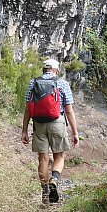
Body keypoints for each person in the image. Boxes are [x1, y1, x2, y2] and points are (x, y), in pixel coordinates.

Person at [21, 58, 79, 203]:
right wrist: (75, 132)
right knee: (59, 156)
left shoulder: (33, 83)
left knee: (43, 158)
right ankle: (55, 178)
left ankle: (45, 192)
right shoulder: (62, 83)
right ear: (56, 70)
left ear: (43, 69)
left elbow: (28, 109)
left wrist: (24, 131)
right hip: (57, 122)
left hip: (39, 123)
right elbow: (69, 111)